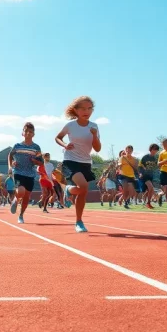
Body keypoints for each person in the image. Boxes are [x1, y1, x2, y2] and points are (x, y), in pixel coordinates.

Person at [55, 96, 100, 233]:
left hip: (85, 162)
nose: (86, 111)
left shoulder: (94, 126)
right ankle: (68, 190)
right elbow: (58, 137)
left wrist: (94, 135)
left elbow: (97, 149)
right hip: (70, 161)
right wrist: (65, 144)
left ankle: (78, 221)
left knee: (83, 191)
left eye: (89, 108)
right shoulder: (71, 125)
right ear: (76, 110)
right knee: (84, 186)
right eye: (83, 108)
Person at [8, 122, 43, 224]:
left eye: (30, 132)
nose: (28, 133)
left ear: (33, 134)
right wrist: (10, 166)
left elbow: (41, 162)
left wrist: (36, 161)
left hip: (30, 174)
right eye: (26, 131)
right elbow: (10, 155)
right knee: (21, 191)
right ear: (22, 133)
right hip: (18, 171)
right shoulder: (17, 145)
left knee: (27, 196)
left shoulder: (36, 147)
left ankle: (21, 215)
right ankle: (15, 199)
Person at [139, 144, 158, 209]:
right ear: (150, 149)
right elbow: (140, 166)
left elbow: (155, 168)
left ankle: (144, 199)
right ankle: (148, 203)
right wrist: (141, 173)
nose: (154, 151)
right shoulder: (145, 157)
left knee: (149, 190)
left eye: (156, 150)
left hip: (151, 175)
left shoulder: (155, 158)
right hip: (144, 175)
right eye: (153, 149)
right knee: (151, 188)